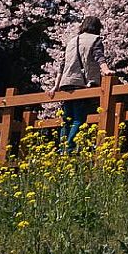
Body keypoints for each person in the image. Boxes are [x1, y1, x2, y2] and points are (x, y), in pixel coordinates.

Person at [52, 16, 106, 152]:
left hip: (66, 83)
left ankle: (62, 148)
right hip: (81, 83)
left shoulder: (72, 41)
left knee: (67, 119)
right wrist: (106, 70)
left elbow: (62, 64)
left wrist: (56, 85)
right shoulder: (95, 39)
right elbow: (99, 56)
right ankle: (69, 148)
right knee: (78, 119)